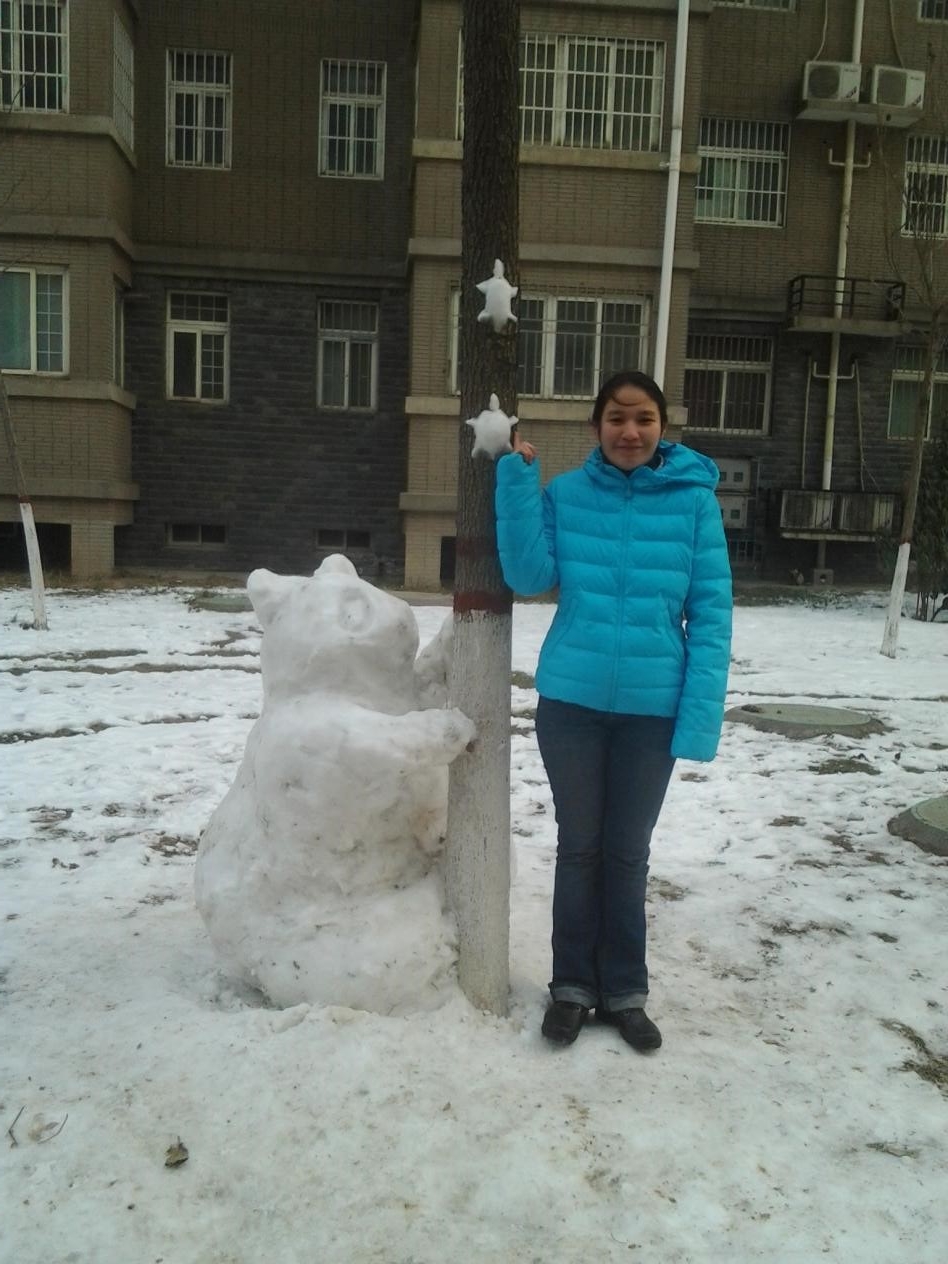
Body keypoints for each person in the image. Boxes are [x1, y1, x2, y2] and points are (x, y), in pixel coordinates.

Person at [494, 370, 732, 1052]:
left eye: (644, 419)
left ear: (662, 428)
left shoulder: (694, 504)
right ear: (596, 426)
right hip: (571, 705)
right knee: (580, 849)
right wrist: (517, 482)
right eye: (617, 418)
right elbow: (529, 576)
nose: (630, 431)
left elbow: (711, 615)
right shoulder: (567, 495)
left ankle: (625, 992)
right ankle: (572, 987)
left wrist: (697, 720)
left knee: (627, 855)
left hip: (651, 713)